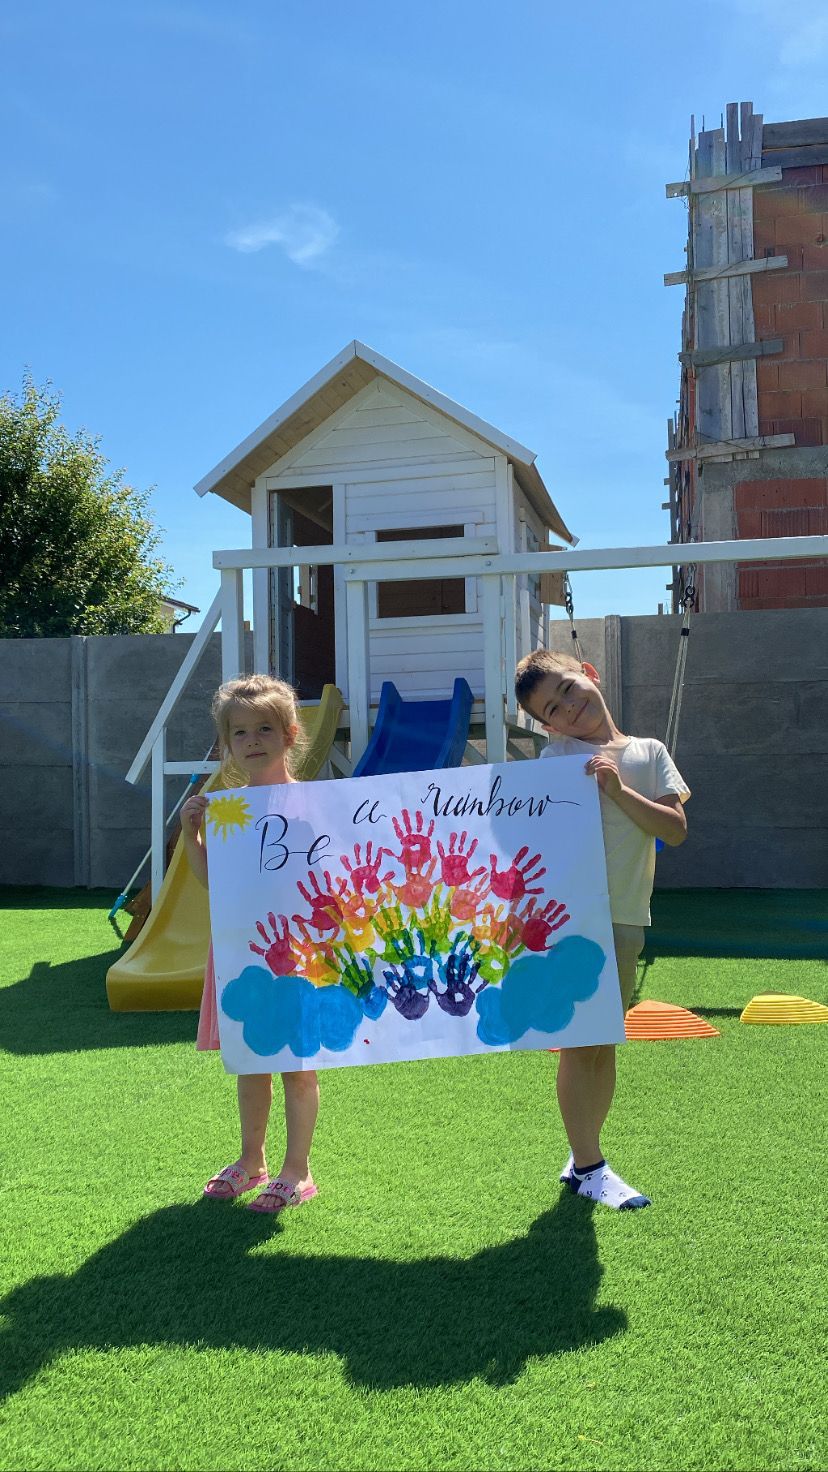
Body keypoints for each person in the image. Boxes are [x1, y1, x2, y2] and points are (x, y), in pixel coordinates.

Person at [514, 648, 690, 1209]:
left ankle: (582, 1153)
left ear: (589, 676)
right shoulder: (555, 761)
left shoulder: (648, 752)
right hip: (570, 923)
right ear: (547, 726)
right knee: (580, 1044)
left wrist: (618, 790)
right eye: (554, 708)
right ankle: (590, 1165)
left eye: (569, 689)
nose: (570, 707)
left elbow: (676, 829)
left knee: (603, 1043)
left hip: (626, 916)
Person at [180, 673, 320, 1214]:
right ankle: (251, 1160)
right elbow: (213, 881)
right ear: (228, 743)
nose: (253, 740)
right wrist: (194, 838)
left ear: (289, 734)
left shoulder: (318, 802)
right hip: (242, 954)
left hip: (300, 955)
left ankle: (297, 1170)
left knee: (298, 1065)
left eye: (265, 728)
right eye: (241, 732)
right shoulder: (228, 809)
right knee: (250, 1060)